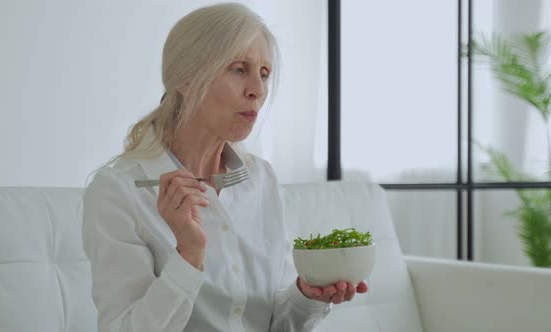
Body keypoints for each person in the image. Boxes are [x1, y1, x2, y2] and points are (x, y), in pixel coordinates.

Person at [82, 3, 368, 331]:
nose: (257, 91)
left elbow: (278, 323)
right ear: (185, 80)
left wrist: (308, 295)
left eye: (264, 74)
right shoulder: (118, 191)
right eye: (238, 69)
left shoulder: (262, 180)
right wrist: (188, 255)